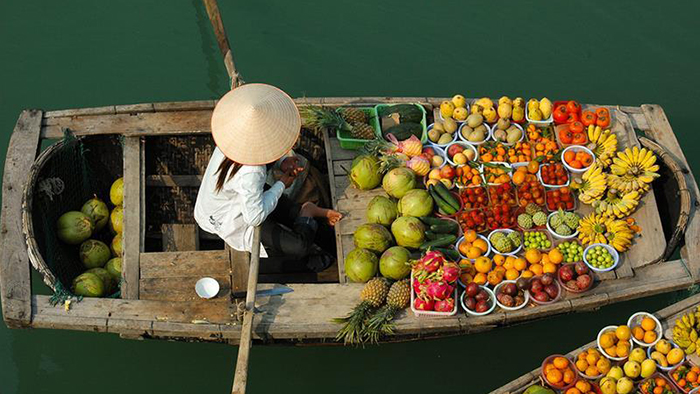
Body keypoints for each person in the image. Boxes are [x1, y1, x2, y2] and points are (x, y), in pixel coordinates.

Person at [194, 84, 342, 272]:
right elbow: (254, 218)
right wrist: (281, 184)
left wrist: (283, 162)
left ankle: (307, 211)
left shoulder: (232, 137)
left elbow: (262, 153)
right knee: (299, 247)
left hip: (242, 198)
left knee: (282, 208)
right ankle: (308, 213)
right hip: (231, 217)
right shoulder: (252, 172)